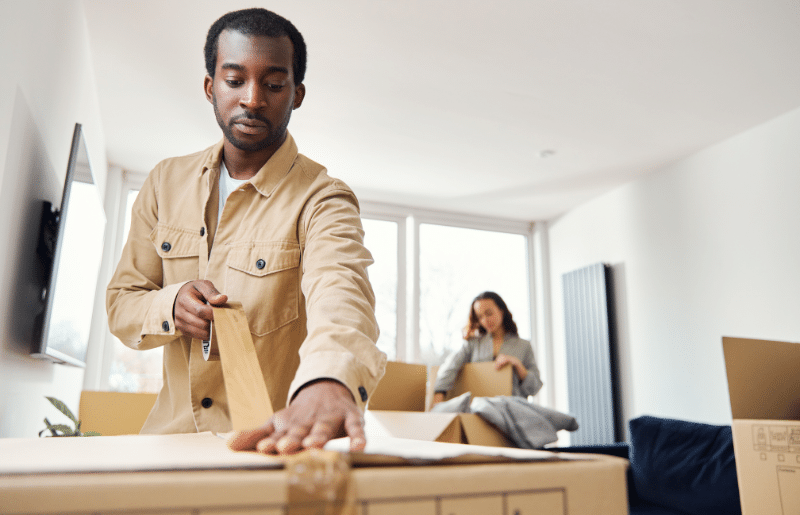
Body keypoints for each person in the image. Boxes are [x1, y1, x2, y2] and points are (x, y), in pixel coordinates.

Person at [106, 8, 386, 455]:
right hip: (167, 446)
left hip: (272, 448)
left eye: (273, 85)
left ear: (297, 94)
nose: (253, 99)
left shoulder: (324, 199)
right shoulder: (164, 182)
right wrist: (170, 303)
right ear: (210, 86)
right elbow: (122, 303)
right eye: (235, 80)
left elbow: (342, 293)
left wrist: (331, 378)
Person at [432, 291, 542, 405]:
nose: (485, 320)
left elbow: (535, 388)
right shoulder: (473, 344)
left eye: (489, 313)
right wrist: (438, 397)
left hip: (514, 409)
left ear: (502, 311)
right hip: (480, 408)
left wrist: (517, 364)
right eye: (480, 317)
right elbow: (451, 367)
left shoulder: (523, 345)